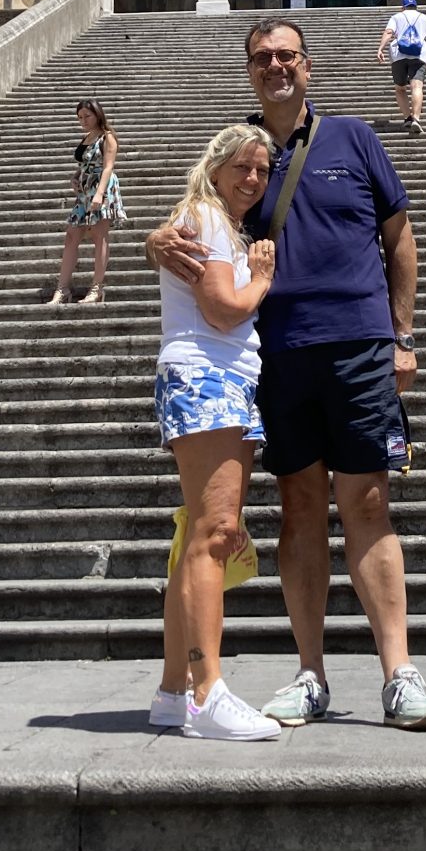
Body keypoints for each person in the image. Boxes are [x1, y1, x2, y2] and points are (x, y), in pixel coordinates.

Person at [147, 17, 426, 733]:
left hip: (359, 343)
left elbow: (398, 239)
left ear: (308, 66)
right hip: (276, 352)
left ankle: (399, 672)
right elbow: (193, 213)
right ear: (250, 70)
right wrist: (152, 237)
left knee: (368, 499)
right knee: (300, 505)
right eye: (262, 57)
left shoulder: (353, 137)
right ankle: (310, 671)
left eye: (286, 55)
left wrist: (403, 333)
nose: (275, 65)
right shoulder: (240, 151)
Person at [151, 122, 281, 740]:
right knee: (215, 533)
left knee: (202, 533)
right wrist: (261, 278)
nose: (253, 179)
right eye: (243, 168)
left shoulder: (214, 221)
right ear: (217, 165)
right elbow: (224, 311)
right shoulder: (204, 216)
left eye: (261, 170)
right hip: (208, 375)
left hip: (218, 379)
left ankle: (174, 690)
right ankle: (207, 694)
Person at [47, 98, 123, 305]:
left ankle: (97, 288)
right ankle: (62, 289)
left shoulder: (107, 137)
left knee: (99, 236)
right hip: (83, 192)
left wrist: (99, 194)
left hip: (101, 189)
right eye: (80, 117)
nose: (83, 120)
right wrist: (75, 176)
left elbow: (108, 167)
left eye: (87, 116)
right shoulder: (86, 137)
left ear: (98, 114)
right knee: (71, 236)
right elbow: (84, 163)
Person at [376, 0, 426, 136]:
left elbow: (388, 32)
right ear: (416, 7)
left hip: (399, 55)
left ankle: (407, 117)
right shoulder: (424, 18)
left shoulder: (397, 17)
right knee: (417, 86)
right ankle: (416, 118)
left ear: (402, 7)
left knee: (400, 89)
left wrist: (380, 49)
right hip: (419, 55)